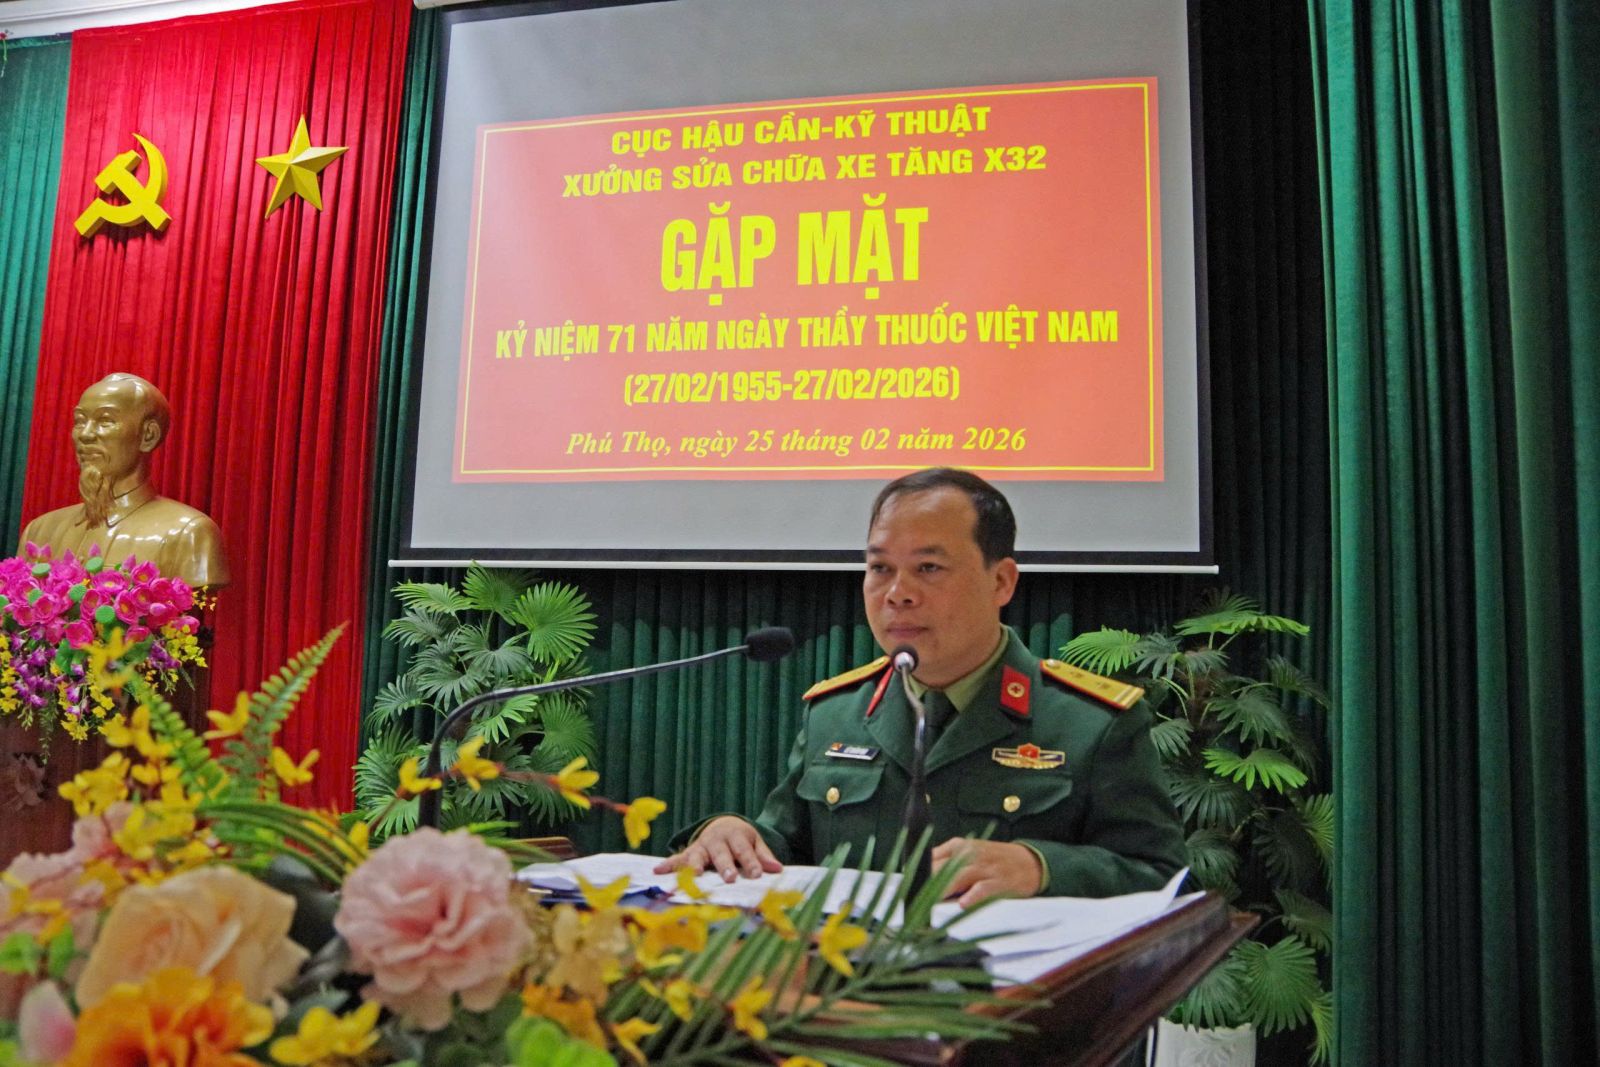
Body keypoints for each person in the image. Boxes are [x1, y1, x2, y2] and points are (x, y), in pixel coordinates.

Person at [656, 468, 1185, 904]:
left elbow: (1163, 876)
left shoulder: (1092, 723)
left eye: (928, 567)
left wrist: (1041, 867)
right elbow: (786, 845)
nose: (897, 593)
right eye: (880, 568)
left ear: (1001, 581)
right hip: (847, 986)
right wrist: (733, 833)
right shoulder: (836, 713)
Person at [19, 373, 230, 591]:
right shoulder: (39, 532)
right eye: (80, 421)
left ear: (148, 436)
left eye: (105, 421)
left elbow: (198, 602)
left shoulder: (189, 533)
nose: (85, 435)